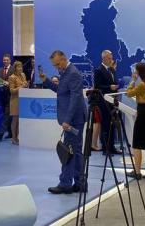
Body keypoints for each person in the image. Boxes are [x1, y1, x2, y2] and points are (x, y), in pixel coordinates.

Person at [41, 50, 87, 195]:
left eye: (57, 64)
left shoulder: (72, 73)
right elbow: (61, 91)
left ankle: (65, 184)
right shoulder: (66, 72)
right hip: (74, 118)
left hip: (74, 119)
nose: (56, 67)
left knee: (69, 152)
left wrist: (67, 120)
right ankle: (80, 183)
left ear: (64, 59)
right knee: (75, 152)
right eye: (54, 65)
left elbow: (75, 98)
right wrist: (46, 81)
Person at [94, 50, 121, 154]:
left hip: (113, 101)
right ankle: (105, 148)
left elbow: (114, 82)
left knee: (112, 124)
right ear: (104, 58)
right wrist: (109, 87)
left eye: (111, 58)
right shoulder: (99, 70)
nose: (111, 60)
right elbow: (97, 86)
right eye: (109, 58)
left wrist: (116, 87)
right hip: (104, 102)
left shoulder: (112, 70)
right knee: (105, 125)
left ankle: (112, 147)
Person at [8, 61, 28, 145]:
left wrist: (26, 85)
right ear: (15, 68)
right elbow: (12, 91)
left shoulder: (23, 75)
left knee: (20, 121)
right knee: (15, 120)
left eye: (21, 67)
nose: (20, 68)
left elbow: (25, 84)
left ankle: (18, 137)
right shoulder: (12, 77)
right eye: (18, 67)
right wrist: (22, 86)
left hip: (23, 100)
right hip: (15, 100)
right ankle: (14, 138)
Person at [0, 53, 15, 141]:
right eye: (4, 60)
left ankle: (1, 132)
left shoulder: (13, 69)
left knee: (7, 114)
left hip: (11, 95)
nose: (5, 61)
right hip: (2, 95)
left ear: (10, 60)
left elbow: (15, 81)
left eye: (7, 60)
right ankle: (10, 133)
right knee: (6, 113)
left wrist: (9, 83)